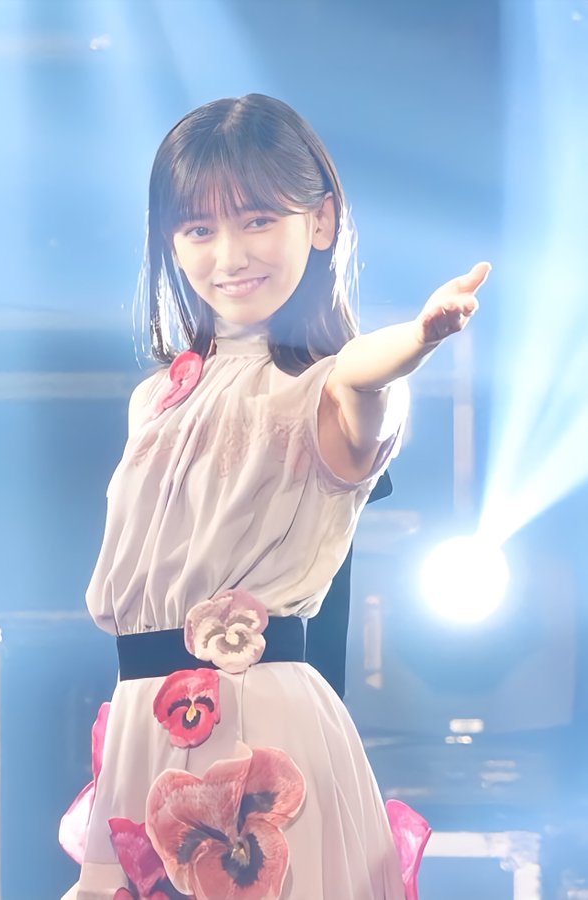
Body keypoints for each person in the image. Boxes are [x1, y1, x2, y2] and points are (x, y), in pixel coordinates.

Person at [60, 93, 489, 900]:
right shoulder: (156, 398)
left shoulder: (323, 389)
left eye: (257, 220)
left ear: (319, 221)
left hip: (259, 730)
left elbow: (362, 375)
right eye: (198, 229)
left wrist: (418, 337)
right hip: (142, 720)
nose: (229, 254)